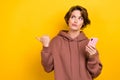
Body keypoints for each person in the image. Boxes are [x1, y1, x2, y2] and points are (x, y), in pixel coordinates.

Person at [37, 5, 102, 80]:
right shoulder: (56, 41)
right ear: (68, 19)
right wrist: (46, 47)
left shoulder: (88, 44)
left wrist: (92, 57)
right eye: (73, 17)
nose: (76, 21)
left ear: (83, 23)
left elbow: (95, 73)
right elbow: (48, 68)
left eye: (80, 18)